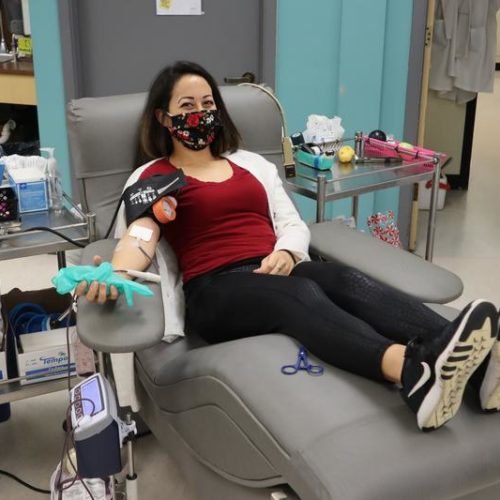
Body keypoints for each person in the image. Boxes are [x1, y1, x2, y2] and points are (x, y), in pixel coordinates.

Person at [77, 61, 500, 432]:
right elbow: (141, 235)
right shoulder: (154, 177)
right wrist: (118, 273)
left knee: (342, 278)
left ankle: (470, 362)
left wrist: (285, 253)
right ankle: (411, 375)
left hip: (279, 266)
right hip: (216, 289)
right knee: (300, 294)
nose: (200, 115)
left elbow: (292, 224)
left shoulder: (250, 164)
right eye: (186, 107)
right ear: (164, 118)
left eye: (208, 105)